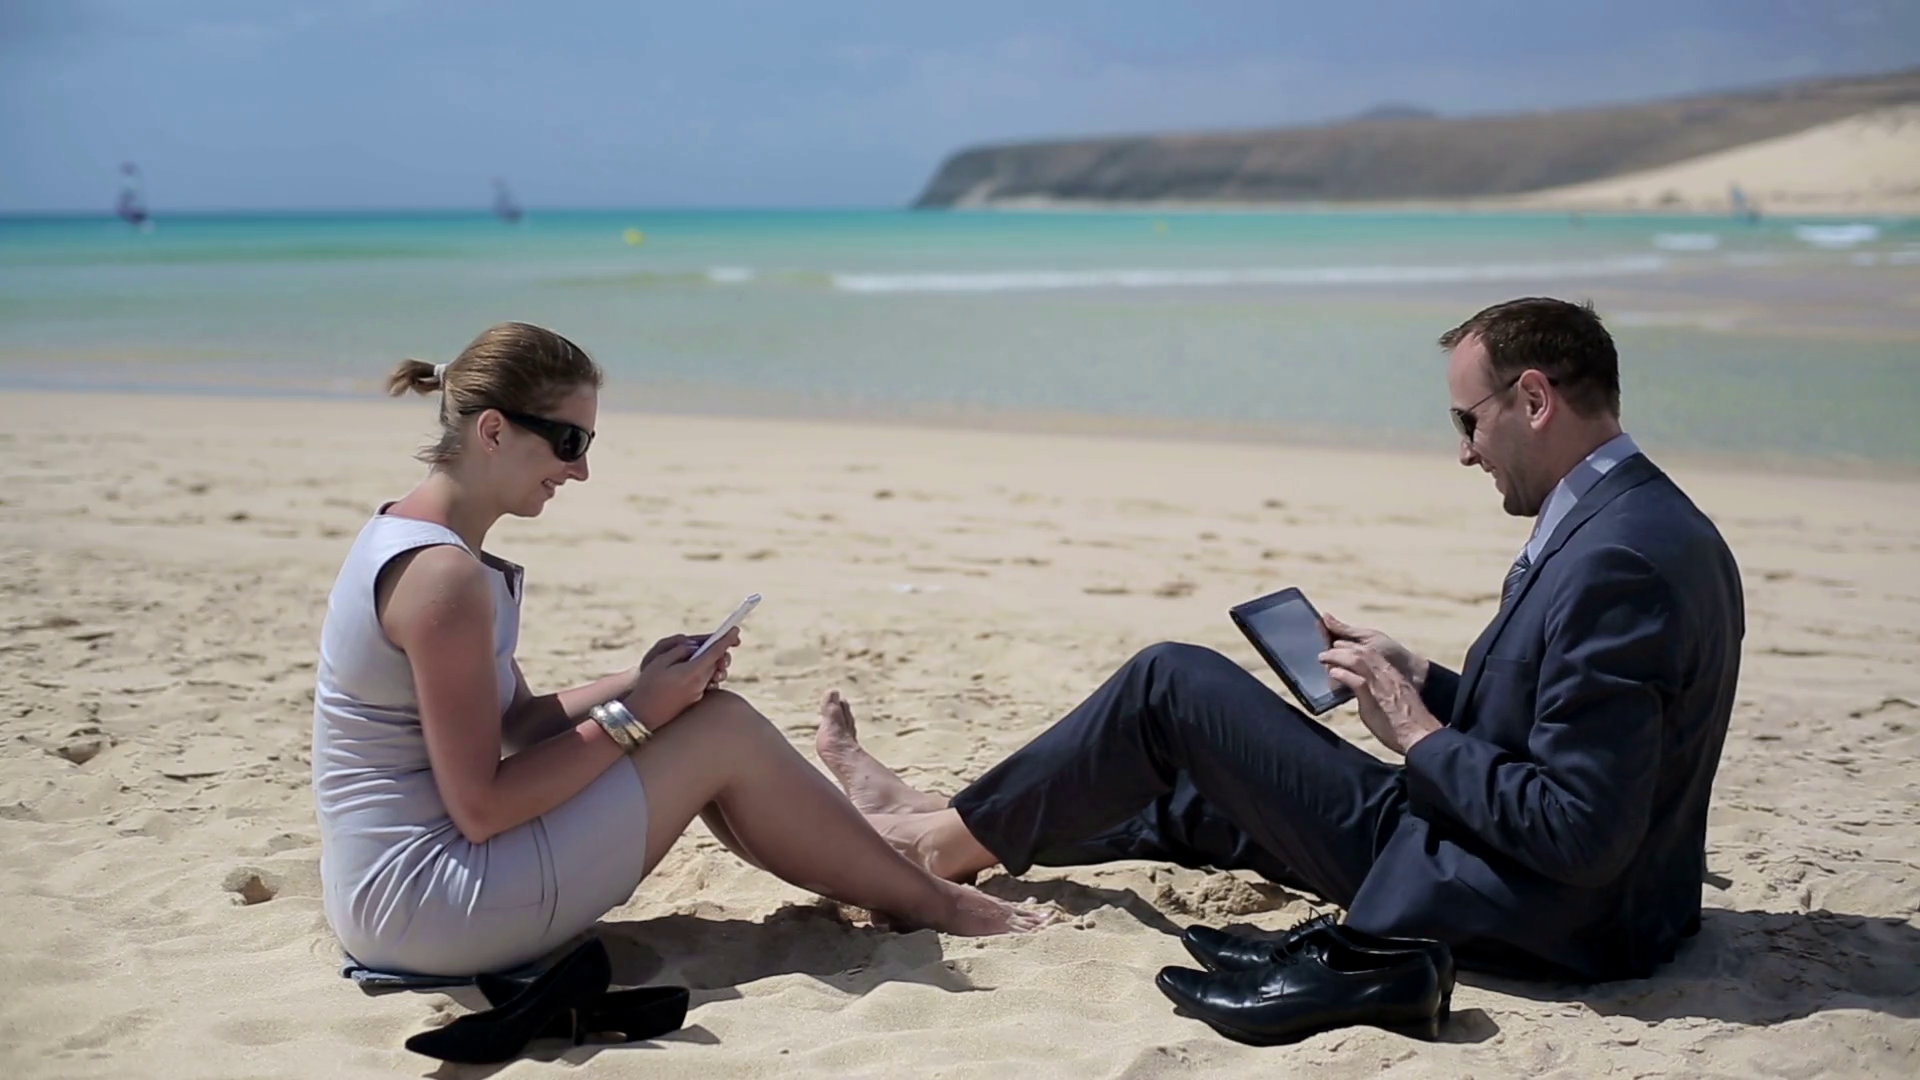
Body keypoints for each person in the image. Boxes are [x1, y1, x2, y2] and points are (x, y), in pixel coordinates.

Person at [816, 297, 1744, 983]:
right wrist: (1419, 676)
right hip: (1546, 879)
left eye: (1470, 420)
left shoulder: (1616, 562)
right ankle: (945, 816)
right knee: (1196, 794)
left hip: (1527, 904)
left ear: (1534, 398)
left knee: (1169, 686)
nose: (1465, 451)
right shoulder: (1654, 523)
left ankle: (932, 848)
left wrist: (1417, 733)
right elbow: (1559, 729)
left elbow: (1579, 833)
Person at [312, 322, 1050, 978]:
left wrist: (645, 680)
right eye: (569, 442)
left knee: (705, 716)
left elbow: (519, 724)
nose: (581, 469)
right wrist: (636, 715)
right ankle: (930, 899)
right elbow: (481, 806)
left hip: (394, 896)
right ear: (495, 431)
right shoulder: (443, 577)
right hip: (425, 911)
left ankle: (905, 886)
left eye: (588, 444)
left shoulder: (414, 540)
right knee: (720, 729)